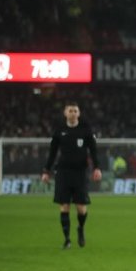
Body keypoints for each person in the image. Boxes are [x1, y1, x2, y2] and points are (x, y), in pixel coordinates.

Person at [41, 101, 102, 249]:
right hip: (63, 172)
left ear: (79, 113)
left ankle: (80, 228)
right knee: (64, 206)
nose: (73, 113)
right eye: (70, 111)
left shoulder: (86, 130)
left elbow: (93, 151)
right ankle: (67, 239)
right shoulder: (59, 130)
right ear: (65, 113)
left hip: (80, 172)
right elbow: (52, 152)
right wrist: (46, 171)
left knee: (81, 208)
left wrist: (97, 168)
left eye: (75, 111)